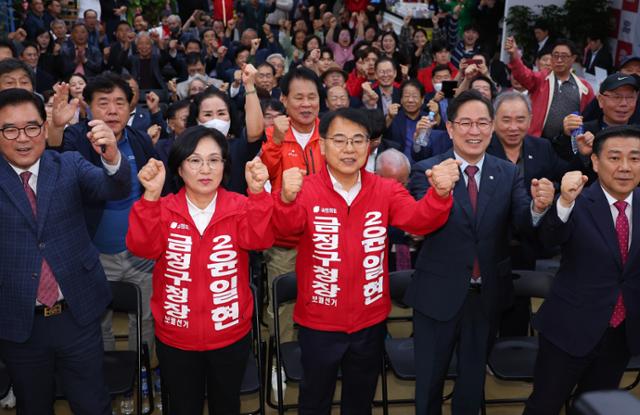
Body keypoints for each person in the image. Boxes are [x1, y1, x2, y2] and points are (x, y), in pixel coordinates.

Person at [273, 107, 460, 414]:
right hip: (319, 322)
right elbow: (283, 234)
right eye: (340, 140)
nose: (349, 149)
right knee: (314, 401)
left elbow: (418, 221)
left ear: (370, 145)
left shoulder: (384, 189)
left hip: (370, 322)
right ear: (322, 145)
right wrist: (285, 201)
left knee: (360, 403)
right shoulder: (304, 190)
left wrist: (439, 194)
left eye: (358, 140)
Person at [407, 90, 556, 415]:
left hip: (485, 295)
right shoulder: (426, 170)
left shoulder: (507, 172)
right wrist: (439, 192)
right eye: (466, 123)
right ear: (449, 128)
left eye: (482, 123)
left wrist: (538, 206)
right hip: (437, 296)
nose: (474, 131)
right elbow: (419, 221)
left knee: (472, 387)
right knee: (428, 385)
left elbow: (522, 219)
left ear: (491, 129)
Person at [0, 88, 130, 414]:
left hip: (77, 313)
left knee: (92, 404)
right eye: (9, 129)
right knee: (33, 406)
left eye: (31, 127)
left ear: (45, 129)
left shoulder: (69, 164)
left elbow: (113, 186)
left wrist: (112, 157)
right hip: (18, 321)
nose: (22, 138)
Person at [126, 126, 273, 414]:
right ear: (179, 168)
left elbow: (260, 240)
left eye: (214, 160)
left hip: (230, 334)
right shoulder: (161, 208)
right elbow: (142, 247)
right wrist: (151, 198)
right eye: (194, 160)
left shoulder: (241, 206)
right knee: (183, 407)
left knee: (227, 405)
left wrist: (257, 195)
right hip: (176, 337)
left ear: (224, 166)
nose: (205, 169)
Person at [523, 125, 640, 414]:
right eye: (614, 158)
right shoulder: (577, 201)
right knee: (544, 405)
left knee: (595, 408)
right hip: (569, 331)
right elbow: (548, 240)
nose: (625, 167)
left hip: (620, 334)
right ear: (596, 163)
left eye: (635, 158)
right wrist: (563, 202)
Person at [51, 73, 163, 352]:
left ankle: (143, 374)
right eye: (103, 103)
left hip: (141, 254)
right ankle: (110, 371)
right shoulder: (76, 139)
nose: (112, 110)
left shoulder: (140, 140)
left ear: (130, 106)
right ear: (87, 107)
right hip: (94, 253)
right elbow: (52, 155)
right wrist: (55, 126)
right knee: (98, 320)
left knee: (145, 317)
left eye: (120, 103)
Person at [505, 37, 594, 139]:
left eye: (564, 56)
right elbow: (522, 75)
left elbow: (591, 118)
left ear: (573, 58)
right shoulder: (541, 79)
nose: (559, 60)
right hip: (538, 141)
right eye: (555, 56)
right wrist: (514, 55)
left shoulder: (584, 88)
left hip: (569, 145)